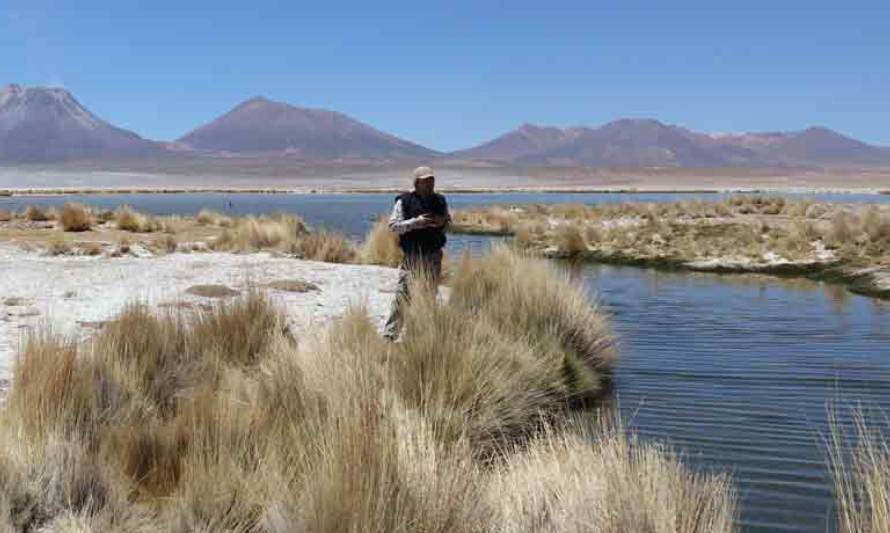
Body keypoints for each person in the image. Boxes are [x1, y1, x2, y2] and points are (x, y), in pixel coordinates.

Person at [382, 166, 451, 340]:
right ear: (417, 183)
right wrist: (415, 223)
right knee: (403, 295)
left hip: (433, 256)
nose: (431, 185)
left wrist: (441, 222)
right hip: (412, 257)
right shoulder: (404, 201)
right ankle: (390, 336)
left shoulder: (440, 201)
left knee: (429, 295)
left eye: (432, 181)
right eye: (427, 181)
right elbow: (393, 225)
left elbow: (448, 222)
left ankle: (423, 336)